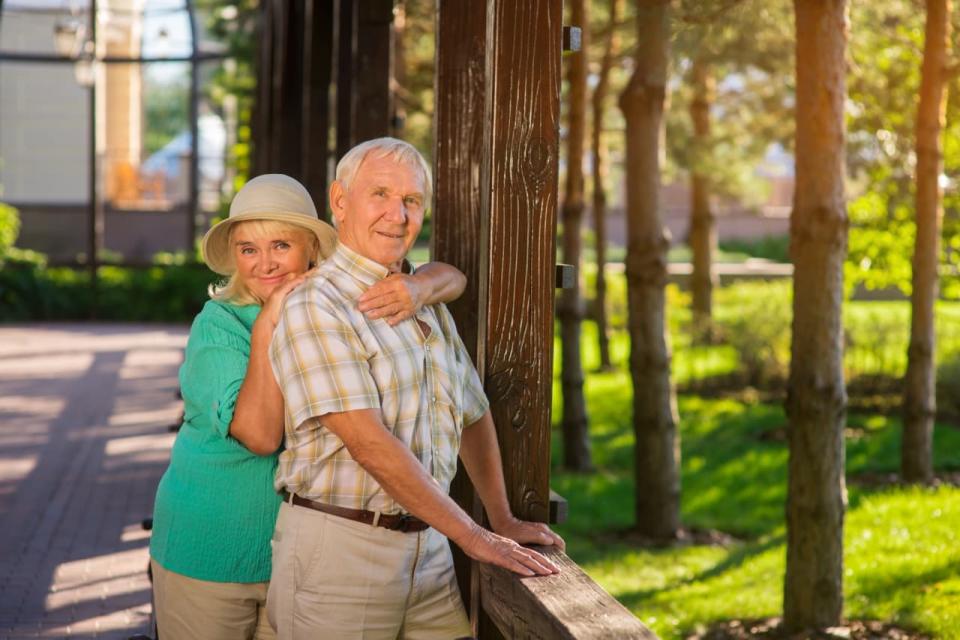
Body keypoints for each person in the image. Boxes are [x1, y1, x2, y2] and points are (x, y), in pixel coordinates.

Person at [149, 173, 468, 640]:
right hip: (209, 547)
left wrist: (418, 288)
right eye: (248, 249)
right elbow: (259, 437)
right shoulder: (218, 325)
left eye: (281, 245)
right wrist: (267, 326)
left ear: (312, 249)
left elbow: (449, 276)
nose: (264, 264)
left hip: (294, 559)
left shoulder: (332, 304)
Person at [268, 138, 565, 640]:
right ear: (340, 201)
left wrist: (502, 517)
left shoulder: (422, 300)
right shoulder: (316, 304)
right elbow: (367, 443)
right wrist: (474, 536)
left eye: (411, 201)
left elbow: (471, 412)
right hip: (341, 556)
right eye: (380, 194)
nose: (398, 215)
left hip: (430, 550)